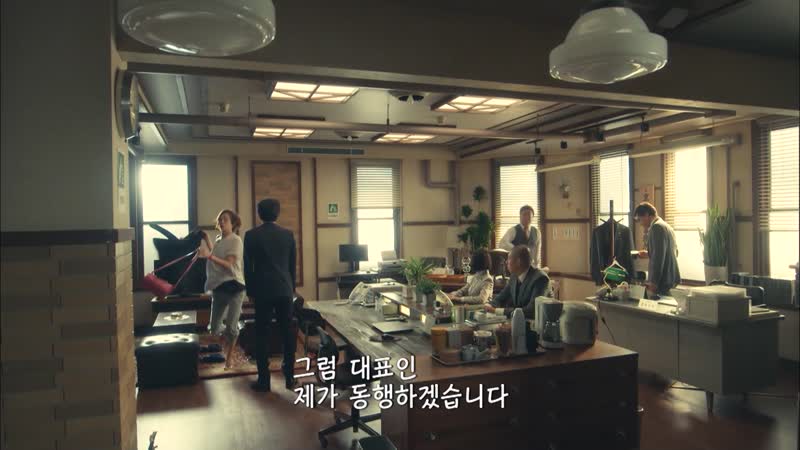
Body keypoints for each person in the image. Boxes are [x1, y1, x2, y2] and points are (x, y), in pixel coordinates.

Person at [244, 198, 297, 392]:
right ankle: (290, 377)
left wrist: (250, 291)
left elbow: (248, 268)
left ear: (259, 214)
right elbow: (292, 265)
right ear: (278, 213)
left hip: (262, 290)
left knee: (261, 334)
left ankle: (264, 380)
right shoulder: (288, 235)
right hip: (284, 289)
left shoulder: (251, 235)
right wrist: (291, 288)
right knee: (287, 333)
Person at [198, 209, 246, 369]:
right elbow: (214, 254)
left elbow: (228, 264)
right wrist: (206, 240)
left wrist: (209, 256)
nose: (221, 222)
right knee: (214, 328)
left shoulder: (236, 240)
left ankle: (229, 357)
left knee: (231, 327)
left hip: (235, 286)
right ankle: (232, 333)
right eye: (220, 219)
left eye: (225, 219)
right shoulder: (219, 240)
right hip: (219, 287)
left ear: (233, 223)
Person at [485, 245, 550, 319]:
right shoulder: (514, 276)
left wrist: (496, 311)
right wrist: (490, 305)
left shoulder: (540, 279)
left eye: (509, 259)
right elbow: (501, 297)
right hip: (518, 321)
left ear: (518, 262)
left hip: (537, 324)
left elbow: (531, 311)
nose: (506, 262)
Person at [634, 202, 680, 297]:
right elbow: (673, 252)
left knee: (659, 305)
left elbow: (658, 258)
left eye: (639, 219)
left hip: (662, 279)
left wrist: (653, 282)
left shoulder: (656, 227)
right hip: (670, 276)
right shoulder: (666, 226)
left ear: (646, 215)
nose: (640, 224)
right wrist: (649, 253)